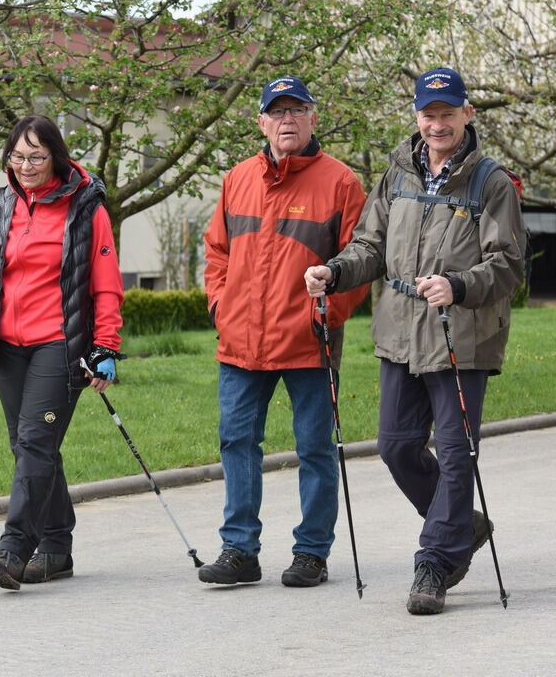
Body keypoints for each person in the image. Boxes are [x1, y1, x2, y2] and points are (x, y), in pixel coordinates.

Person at [304, 67, 526, 615]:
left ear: (467, 115)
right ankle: (461, 525)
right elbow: (370, 246)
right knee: (396, 446)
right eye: (429, 114)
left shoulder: (490, 182)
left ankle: (435, 560)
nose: (438, 123)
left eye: (448, 113)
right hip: (400, 332)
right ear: (416, 117)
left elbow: (508, 265)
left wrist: (458, 284)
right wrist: (334, 271)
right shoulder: (397, 172)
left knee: (454, 453)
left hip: (462, 335)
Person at [0, 114, 124, 590]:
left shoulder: (85, 209)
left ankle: (15, 548)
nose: (26, 165)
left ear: (55, 156)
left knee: (36, 442)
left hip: (60, 343)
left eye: (37, 156)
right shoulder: (0, 208)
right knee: (30, 445)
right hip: (8, 345)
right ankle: (56, 547)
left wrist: (106, 347)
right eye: (18, 157)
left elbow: (105, 284)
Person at [200, 77, 368, 589]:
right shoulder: (237, 179)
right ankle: (239, 550)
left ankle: (312, 552)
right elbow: (217, 253)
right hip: (241, 342)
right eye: (277, 112)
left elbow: (359, 262)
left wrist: (327, 315)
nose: (287, 119)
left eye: (297, 109)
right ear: (262, 122)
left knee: (315, 449)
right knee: (237, 442)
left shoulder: (341, 183)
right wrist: (220, 306)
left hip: (309, 343)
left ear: (314, 118)